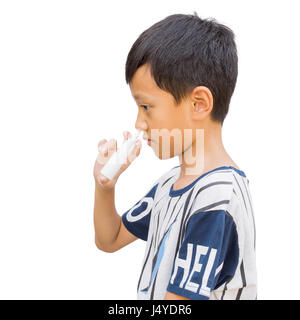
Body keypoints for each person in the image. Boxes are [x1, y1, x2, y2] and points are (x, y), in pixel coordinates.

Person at [93, 12, 257, 300]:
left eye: (146, 107)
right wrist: (105, 186)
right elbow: (111, 238)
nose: (139, 123)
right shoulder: (171, 183)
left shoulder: (216, 198)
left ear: (198, 104)